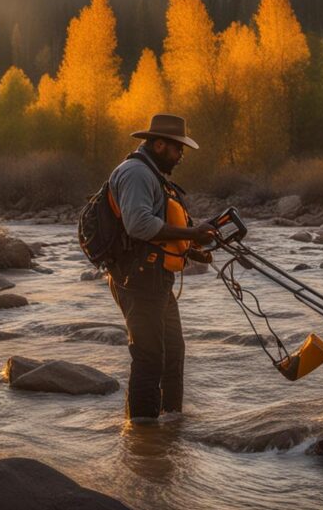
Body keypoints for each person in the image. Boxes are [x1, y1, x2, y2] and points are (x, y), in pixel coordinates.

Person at [106, 114, 215, 423]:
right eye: (178, 149)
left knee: (172, 354)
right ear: (158, 144)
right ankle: (143, 443)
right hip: (138, 280)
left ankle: (171, 428)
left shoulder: (153, 174)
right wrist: (192, 234)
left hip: (156, 278)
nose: (181, 156)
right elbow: (139, 224)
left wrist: (191, 250)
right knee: (150, 359)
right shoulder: (137, 173)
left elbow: (158, 229)